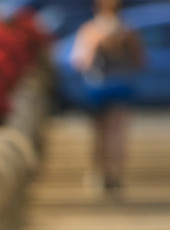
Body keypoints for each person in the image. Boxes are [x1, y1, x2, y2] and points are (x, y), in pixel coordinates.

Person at [70, 0, 144, 193]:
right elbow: (141, 61)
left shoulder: (90, 30)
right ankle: (115, 174)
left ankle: (98, 172)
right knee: (117, 133)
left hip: (98, 87)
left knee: (98, 133)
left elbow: (80, 62)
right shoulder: (129, 31)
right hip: (121, 85)